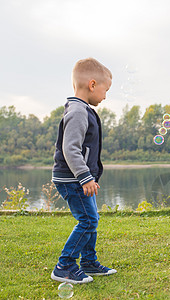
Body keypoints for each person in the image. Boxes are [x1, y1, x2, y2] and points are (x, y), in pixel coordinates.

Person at [51, 58, 117, 284]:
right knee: (88, 220)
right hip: (73, 179)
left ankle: (89, 262)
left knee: (92, 218)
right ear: (92, 85)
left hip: (78, 178)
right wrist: (84, 177)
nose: (105, 96)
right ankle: (65, 265)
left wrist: (89, 176)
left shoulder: (81, 109)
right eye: (105, 90)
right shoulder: (78, 110)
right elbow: (70, 149)